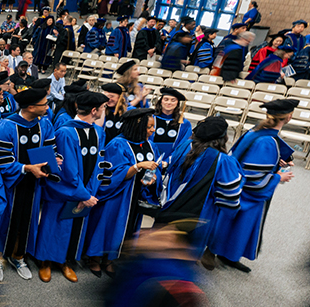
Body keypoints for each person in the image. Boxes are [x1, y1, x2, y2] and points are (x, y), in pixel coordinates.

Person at [208, 100, 297, 272]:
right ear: (289, 117)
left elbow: (250, 158)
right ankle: (219, 252)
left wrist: (276, 160)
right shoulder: (267, 141)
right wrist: (278, 177)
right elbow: (253, 176)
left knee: (231, 222)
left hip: (234, 184)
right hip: (247, 192)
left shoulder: (257, 130)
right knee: (238, 224)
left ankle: (227, 255)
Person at [31, 91, 108, 283]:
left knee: (73, 227)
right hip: (64, 190)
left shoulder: (98, 132)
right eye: (103, 108)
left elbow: (99, 163)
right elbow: (68, 170)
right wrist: (82, 194)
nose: (104, 110)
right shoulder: (66, 132)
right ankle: (45, 261)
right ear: (94, 110)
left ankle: (64, 261)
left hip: (85, 191)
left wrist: (91, 191)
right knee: (54, 224)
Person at [154, 116, 243, 269]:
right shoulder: (223, 161)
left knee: (158, 248)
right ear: (223, 138)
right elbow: (230, 197)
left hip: (168, 205)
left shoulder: (185, 146)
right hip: (198, 216)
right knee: (181, 259)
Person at [83, 108, 159, 277]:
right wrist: (137, 167)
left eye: (153, 127)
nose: (152, 130)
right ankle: (94, 259)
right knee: (108, 226)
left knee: (127, 229)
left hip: (137, 195)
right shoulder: (118, 144)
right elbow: (112, 174)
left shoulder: (149, 144)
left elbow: (154, 167)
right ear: (137, 126)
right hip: (117, 196)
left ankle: (110, 260)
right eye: (149, 127)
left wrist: (151, 177)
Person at [0, 87, 54, 281]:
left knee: (26, 221)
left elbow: (51, 149)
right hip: (11, 185)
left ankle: (18, 256)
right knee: (5, 221)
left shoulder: (45, 125)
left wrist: (54, 161)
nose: (47, 107)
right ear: (31, 107)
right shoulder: (6, 125)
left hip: (34, 185)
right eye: (44, 104)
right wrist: (26, 168)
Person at [150, 88, 192, 163]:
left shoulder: (184, 123)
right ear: (161, 101)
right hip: (150, 158)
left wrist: (168, 161)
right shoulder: (151, 119)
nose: (169, 103)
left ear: (177, 103)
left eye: (173, 100)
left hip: (172, 162)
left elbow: (183, 146)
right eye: (166, 99)